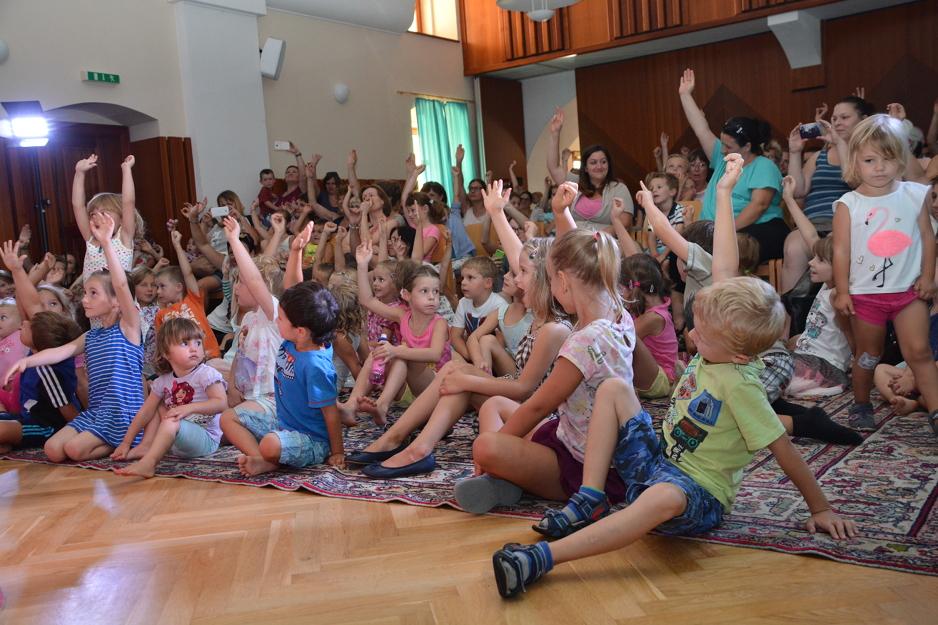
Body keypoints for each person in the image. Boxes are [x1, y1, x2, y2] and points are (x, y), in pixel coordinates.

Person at [490, 278, 857, 599]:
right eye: (696, 326)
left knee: (662, 496)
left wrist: (821, 509)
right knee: (615, 387)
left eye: (703, 334)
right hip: (661, 459)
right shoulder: (712, 354)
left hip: (698, 492)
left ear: (739, 354)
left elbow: (783, 451)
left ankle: (541, 559)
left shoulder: (743, 385)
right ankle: (590, 496)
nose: (691, 335)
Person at [347, 180, 570, 479]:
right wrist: (496, 213)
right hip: (519, 399)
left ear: (547, 281)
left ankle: (409, 445)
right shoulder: (539, 314)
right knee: (454, 368)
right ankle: (402, 442)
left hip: (536, 411)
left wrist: (469, 381)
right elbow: (524, 261)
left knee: (458, 374)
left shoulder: (555, 326)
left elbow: (525, 389)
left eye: (523, 275)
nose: (516, 280)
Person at [454, 228, 634, 514]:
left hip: (584, 466)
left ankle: (498, 478)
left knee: (486, 446)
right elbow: (585, 254)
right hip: (569, 435)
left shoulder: (584, 343)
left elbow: (537, 407)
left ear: (562, 281)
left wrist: (492, 454)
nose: (547, 287)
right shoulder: (618, 314)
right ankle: (504, 480)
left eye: (549, 280)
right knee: (496, 405)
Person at [5, 213, 145, 462]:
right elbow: (62, 351)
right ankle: (112, 442)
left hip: (123, 414)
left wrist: (106, 245)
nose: (84, 299)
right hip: (97, 413)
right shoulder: (91, 336)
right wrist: (26, 362)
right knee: (53, 450)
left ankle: (130, 440)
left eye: (93, 293)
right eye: (85, 293)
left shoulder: (129, 328)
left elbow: (122, 285)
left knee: (73, 450)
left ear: (115, 302)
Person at [832, 114, 938, 433]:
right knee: (868, 355)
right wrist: (842, 291)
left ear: (901, 159)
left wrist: (928, 277)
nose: (879, 167)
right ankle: (861, 401)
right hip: (866, 296)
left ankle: (935, 411)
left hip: (909, 293)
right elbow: (841, 251)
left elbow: (928, 237)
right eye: (870, 160)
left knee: (919, 351)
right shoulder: (848, 204)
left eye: (888, 158)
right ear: (856, 162)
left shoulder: (914, 195)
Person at [220, 218, 344, 476]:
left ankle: (265, 457)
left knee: (270, 443)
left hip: (309, 438)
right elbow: (295, 289)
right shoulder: (295, 336)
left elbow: (330, 414)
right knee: (226, 419)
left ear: (300, 329)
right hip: (284, 422)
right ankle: (261, 460)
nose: (277, 318)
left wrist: (338, 452)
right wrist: (297, 252)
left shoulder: (315, 363)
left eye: (281, 317)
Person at [678, 68, 788, 262]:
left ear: (747, 146)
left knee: (722, 252)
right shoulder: (723, 158)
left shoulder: (763, 166)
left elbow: (759, 206)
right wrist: (685, 95)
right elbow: (700, 128)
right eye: (722, 143)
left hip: (757, 230)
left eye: (728, 146)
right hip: (715, 231)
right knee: (676, 258)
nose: (722, 150)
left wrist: (723, 232)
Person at [781, 96, 875, 316]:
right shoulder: (819, 156)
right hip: (812, 222)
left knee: (832, 245)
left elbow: (852, 180)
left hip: (845, 222)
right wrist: (795, 152)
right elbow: (798, 190)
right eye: (834, 118)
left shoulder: (867, 153)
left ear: (862, 120)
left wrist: (840, 143)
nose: (838, 122)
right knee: (793, 247)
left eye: (844, 117)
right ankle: (789, 319)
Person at [340, 244, 451, 426]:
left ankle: (382, 406)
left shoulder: (439, 323)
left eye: (436, 292)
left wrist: (395, 351)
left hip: (435, 386)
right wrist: (362, 265)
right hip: (407, 387)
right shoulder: (402, 315)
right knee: (381, 353)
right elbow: (366, 300)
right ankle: (351, 406)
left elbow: (435, 354)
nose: (432, 297)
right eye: (425, 291)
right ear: (406, 295)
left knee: (399, 351)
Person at [110, 318, 227, 478]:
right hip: (175, 438)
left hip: (205, 438)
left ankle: (148, 463)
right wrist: (126, 443)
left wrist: (188, 408)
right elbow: (145, 412)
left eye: (198, 343)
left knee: (171, 420)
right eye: (185, 343)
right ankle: (147, 445)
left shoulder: (206, 374)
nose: (194, 348)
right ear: (166, 353)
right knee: (155, 405)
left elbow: (221, 403)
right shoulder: (163, 381)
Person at [0, 312, 83, 453]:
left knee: (2, 429)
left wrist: (82, 433)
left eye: (30, 325)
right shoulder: (34, 354)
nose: (24, 322)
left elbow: (65, 406)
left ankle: (8, 440)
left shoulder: (48, 370)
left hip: (45, 427)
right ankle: (7, 443)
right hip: (25, 417)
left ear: (39, 341)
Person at [546, 109, 634, 232]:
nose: (599, 166)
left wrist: (594, 238)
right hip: (573, 241)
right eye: (593, 162)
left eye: (603, 162)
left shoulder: (618, 188)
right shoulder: (574, 182)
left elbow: (625, 222)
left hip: (605, 243)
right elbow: (553, 167)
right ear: (586, 168)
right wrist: (555, 133)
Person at [155, 228, 222, 359]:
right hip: (184, 365)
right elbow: (162, 346)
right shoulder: (160, 315)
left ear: (178, 287)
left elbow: (188, 273)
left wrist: (178, 246)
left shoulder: (193, 299)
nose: (158, 291)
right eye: (157, 287)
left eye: (162, 286)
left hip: (210, 357)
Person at [72, 154, 137, 283]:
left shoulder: (124, 237)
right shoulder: (91, 239)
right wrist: (79, 173)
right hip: (94, 301)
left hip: (118, 301)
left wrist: (126, 169)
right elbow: (78, 205)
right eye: (92, 214)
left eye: (104, 212)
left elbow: (128, 202)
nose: (97, 217)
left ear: (121, 217)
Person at [621, 254, 677, 399]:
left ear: (631, 288)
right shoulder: (652, 306)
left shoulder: (653, 318)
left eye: (621, 289)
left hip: (660, 381)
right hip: (652, 374)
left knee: (624, 336)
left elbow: (618, 341)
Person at [449, 257, 508, 362]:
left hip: (493, 360)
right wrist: (471, 356)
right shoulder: (463, 302)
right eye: (462, 278)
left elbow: (502, 342)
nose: (463, 282)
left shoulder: (499, 305)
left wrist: (481, 359)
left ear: (488, 283)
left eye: (470, 277)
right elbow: (455, 336)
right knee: (450, 356)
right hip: (472, 355)